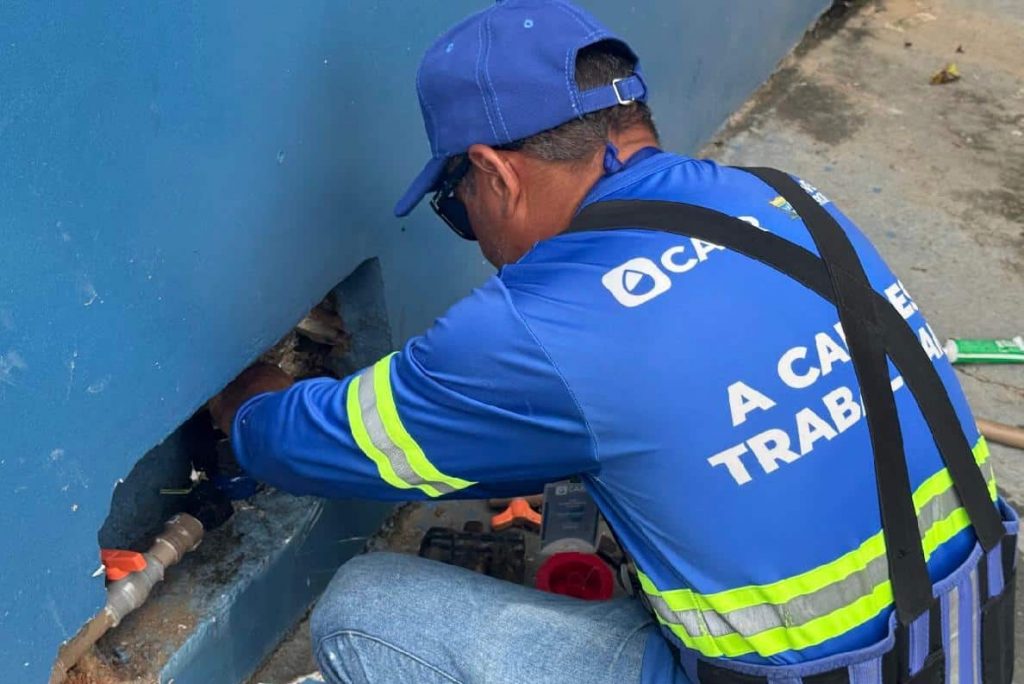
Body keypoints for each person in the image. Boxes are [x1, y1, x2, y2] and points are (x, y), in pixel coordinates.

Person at [210, 1, 1016, 682]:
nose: (474, 233)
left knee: (364, 611)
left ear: (496, 173)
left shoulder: (535, 326)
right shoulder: (786, 198)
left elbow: (311, 444)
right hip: (974, 639)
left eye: (456, 205)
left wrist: (239, 398)